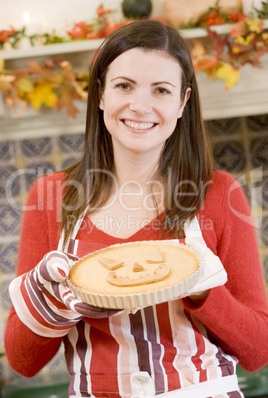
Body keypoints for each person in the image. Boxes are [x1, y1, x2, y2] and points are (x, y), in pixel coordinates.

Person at [4, 20, 268, 398]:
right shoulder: (52, 197)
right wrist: (56, 297)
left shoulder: (219, 193)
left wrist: (200, 290)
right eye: (124, 86)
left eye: (161, 90)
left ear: (182, 103)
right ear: (100, 95)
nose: (139, 106)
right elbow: (21, 361)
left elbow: (258, 351)